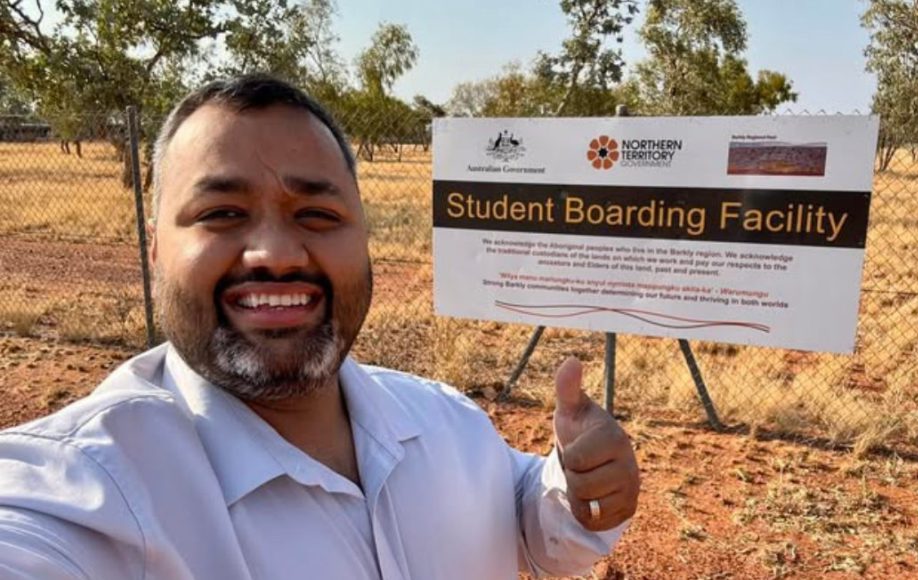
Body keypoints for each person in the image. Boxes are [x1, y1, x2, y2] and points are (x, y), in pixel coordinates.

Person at [0, 75, 640, 579]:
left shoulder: (447, 421)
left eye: (317, 213)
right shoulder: (90, 491)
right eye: (221, 212)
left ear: (365, 241)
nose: (276, 253)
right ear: (155, 248)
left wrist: (572, 483)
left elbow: (523, 517)